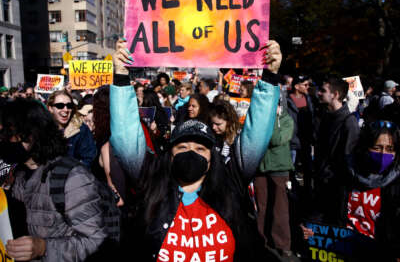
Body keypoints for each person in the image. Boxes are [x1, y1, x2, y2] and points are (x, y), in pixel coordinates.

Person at [110, 39, 282, 261]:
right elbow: (125, 137)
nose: (191, 152)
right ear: (170, 154)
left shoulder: (228, 184)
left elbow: (255, 136)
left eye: (200, 148)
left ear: (212, 158)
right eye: (182, 146)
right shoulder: (153, 183)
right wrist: (121, 76)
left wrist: (269, 77)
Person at [2, 98, 107, 261]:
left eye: (9, 134)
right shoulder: (18, 175)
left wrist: (43, 248)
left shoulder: (72, 178)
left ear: (31, 135)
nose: (4, 141)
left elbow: (95, 241)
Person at [305, 120, 400, 261]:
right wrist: (311, 227)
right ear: (364, 147)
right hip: (342, 250)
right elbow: (323, 205)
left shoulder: (396, 184)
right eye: (377, 147)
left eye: (389, 149)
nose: (383, 154)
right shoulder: (344, 174)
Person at [312, 76, 360, 223]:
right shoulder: (325, 116)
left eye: (323, 90)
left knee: (336, 223)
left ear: (336, 95)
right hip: (322, 181)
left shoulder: (349, 122)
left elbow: (349, 158)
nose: (318, 93)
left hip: (337, 186)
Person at [254, 99, 297, 262]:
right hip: (260, 167)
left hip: (279, 168)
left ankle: (283, 244)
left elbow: (277, 139)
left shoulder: (286, 119)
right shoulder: (259, 118)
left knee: (280, 207)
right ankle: (261, 240)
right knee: (261, 206)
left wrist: (270, 121)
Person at [47, 90, 97, 169]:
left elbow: (89, 158)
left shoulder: (81, 129)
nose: (66, 109)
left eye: (69, 105)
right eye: (60, 106)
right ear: (50, 108)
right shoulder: (42, 130)